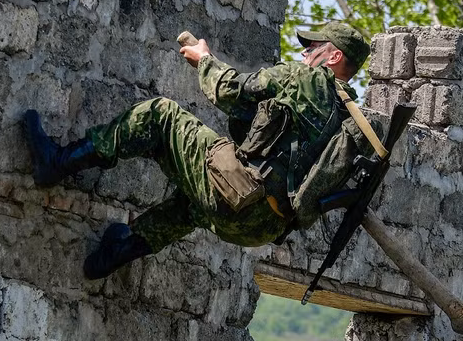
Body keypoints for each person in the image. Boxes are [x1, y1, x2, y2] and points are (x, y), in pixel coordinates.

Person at [23, 21, 374, 280]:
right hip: (262, 229)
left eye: (313, 48)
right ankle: (112, 255)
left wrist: (204, 59)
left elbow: (230, 92)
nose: (305, 52)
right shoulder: (348, 120)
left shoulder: (305, 79)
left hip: (238, 195)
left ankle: (57, 163)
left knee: (162, 115)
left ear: (334, 56)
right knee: (195, 204)